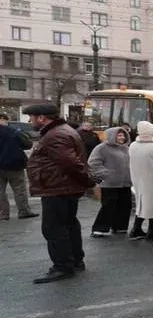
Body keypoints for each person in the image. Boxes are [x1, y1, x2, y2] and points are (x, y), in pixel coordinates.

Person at [22, 103, 94, 283]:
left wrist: (86, 181)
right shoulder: (61, 131)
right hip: (62, 187)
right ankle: (75, 260)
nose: (30, 121)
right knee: (68, 224)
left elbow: (70, 163)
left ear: (41, 118)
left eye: (31, 117)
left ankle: (62, 266)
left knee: (54, 228)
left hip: (58, 188)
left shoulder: (56, 135)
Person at [88, 127, 133, 237]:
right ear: (112, 136)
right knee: (108, 206)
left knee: (125, 205)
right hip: (110, 183)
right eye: (119, 135)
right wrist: (106, 174)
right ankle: (99, 229)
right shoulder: (102, 148)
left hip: (125, 183)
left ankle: (120, 227)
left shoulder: (126, 148)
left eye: (123, 135)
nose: (122, 137)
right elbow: (93, 163)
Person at [0, 112, 38, 221]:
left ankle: (3, 214)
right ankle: (24, 211)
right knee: (19, 189)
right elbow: (27, 144)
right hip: (14, 164)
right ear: (3, 119)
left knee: (0, 191)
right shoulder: (13, 132)